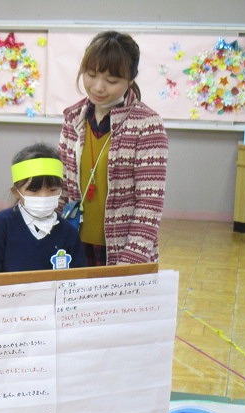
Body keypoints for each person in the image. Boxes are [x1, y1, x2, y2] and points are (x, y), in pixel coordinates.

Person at [58, 30, 169, 266]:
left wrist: (129, 263)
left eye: (112, 81)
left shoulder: (146, 124)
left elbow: (149, 204)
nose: (98, 87)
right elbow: (63, 189)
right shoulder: (73, 118)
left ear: (131, 80)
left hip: (122, 251)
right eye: (91, 75)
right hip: (73, 246)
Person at [0, 142, 86, 273]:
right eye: (34, 191)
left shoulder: (68, 231)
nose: (43, 197)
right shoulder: (2, 224)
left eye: (52, 189)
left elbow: (79, 277)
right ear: (16, 192)